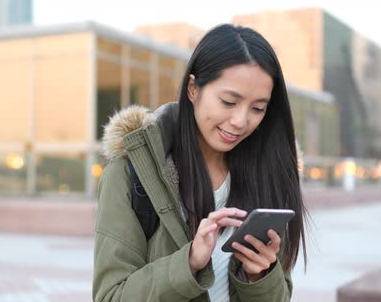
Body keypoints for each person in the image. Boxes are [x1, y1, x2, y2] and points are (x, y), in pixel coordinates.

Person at [93, 23, 308, 302]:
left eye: (258, 108)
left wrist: (259, 276)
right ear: (193, 89)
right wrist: (189, 263)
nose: (241, 121)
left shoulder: (271, 175)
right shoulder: (130, 172)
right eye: (229, 102)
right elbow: (111, 296)